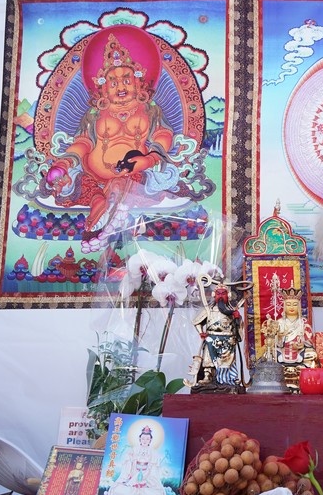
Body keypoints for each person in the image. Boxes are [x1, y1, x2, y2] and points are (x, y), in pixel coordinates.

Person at [44, 31, 175, 239]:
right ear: (102, 89)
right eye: (113, 83)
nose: (120, 87)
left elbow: (164, 135)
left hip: (133, 172)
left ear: (139, 82)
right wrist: (64, 163)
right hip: (94, 174)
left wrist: (149, 159)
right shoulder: (95, 114)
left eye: (127, 80)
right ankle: (97, 199)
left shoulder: (149, 110)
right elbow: (83, 142)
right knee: (77, 182)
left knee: (140, 181)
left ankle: (115, 192)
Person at [104, 425, 168, 495]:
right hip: (132, 479)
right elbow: (129, 467)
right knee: (118, 490)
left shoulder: (153, 453)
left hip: (147, 480)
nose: (145, 441)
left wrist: (146, 477)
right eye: (143, 438)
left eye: (147, 439)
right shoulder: (134, 449)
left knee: (156, 494)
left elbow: (153, 471)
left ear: (151, 440)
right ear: (139, 439)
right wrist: (129, 465)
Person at [190, 284, 245, 390]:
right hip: (211, 339)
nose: (220, 296)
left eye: (223, 294)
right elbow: (197, 322)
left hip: (228, 340)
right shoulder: (208, 310)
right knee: (208, 358)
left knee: (229, 361)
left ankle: (230, 378)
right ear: (214, 295)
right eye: (218, 294)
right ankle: (207, 376)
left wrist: (237, 319)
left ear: (228, 295)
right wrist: (201, 332)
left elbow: (239, 326)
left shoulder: (232, 310)